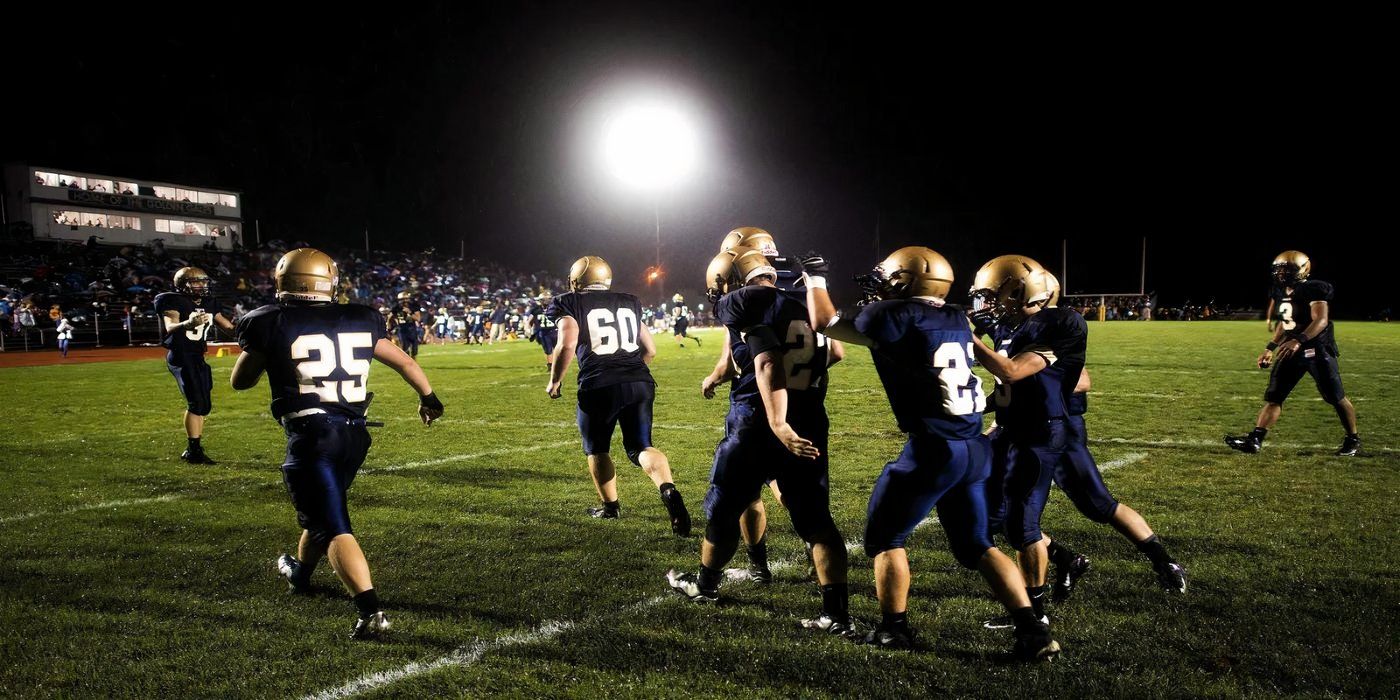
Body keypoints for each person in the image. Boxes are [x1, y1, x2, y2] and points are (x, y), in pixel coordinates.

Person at [799, 247, 1058, 660]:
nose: (882, 285)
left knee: (886, 538)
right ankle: (1034, 630)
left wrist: (815, 278)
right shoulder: (956, 316)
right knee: (978, 544)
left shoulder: (892, 315)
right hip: (975, 446)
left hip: (933, 449)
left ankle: (892, 631)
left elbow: (825, 323)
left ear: (905, 280)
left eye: (888, 278)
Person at [231, 248, 444, 640]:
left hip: (312, 435)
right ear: (330, 281)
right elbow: (405, 363)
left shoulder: (268, 320)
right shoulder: (361, 317)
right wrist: (429, 399)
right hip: (354, 435)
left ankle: (370, 612)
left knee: (333, 525)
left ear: (283, 281)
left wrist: (266, 354)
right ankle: (301, 573)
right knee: (323, 511)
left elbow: (239, 382)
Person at [968, 255, 1187, 629]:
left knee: (1094, 504)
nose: (989, 305)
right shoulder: (1012, 325)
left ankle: (1161, 559)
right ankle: (1064, 562)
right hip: (1015, 427)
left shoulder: (1056, 324)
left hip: (1055, 429)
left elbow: (1076, 378)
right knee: (999, 515)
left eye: (995, 295)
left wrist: (1039, 382)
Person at [668, 246, 855, 638]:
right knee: (817, 521)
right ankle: (836, 614)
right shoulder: (801, 300)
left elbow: (767, 361)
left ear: (729, 280)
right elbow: (836, 350)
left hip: (760, 423)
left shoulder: (743, 301)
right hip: (810, 421)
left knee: (724, 508)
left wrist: (778, 422)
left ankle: (704, 586)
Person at [546, 255, 691, 535]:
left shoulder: (570, 302)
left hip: (599, 384)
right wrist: (629, 371)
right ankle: (669, 490)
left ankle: (610, 507)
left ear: (576, 281)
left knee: (597, 448)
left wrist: (555, 381)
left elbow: (566, 344)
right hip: (639, 381)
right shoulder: (628, 301)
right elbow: (650, 349)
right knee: (641, 446)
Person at [1225, 251, 1360, 456]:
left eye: (1286, 269)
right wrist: (1270, 347)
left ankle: (1353, 439)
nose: (1281, 273)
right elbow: (1285, 323)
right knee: (1275, 396)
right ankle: (1255, 440)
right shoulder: (1280, 290)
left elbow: (1321, 320)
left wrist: (1299, 340)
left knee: (1335, 397)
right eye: (1279, 269)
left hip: (1318, 349)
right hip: (1291, 348)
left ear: (1302, 269)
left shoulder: (1314, 289)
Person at [154, 267, 235, 464]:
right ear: (183, 285)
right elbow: (170, 326)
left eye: (204, 282)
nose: (202, 286)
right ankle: (193, 450)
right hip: (181, 357)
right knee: (197, 403)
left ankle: (194, 449)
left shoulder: (209, 302)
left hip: (198, 357)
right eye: (196, 282)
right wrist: (186, 324)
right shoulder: (172, 300)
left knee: (204, 405)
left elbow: (228, 327)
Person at [530, 293, 558, 371]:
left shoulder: (554, 308)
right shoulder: (555, 308)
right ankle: (552, 366)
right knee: (550, 350)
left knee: (552, 350)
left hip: (550, 332)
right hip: (547, 332)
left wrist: (532, 331)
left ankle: (552, 366)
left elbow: (530, 321)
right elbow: (530, 321)